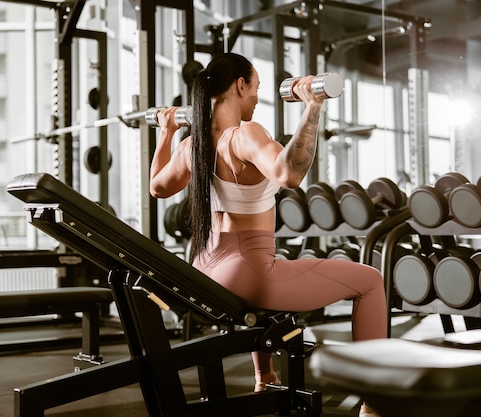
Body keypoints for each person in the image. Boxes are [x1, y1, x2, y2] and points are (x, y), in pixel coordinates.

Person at [149, 52, 387, 417]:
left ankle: (265, 379)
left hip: (205, 267)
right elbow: (288, 173)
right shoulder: (243, 135)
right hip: (248, 270)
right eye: (256, 87)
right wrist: (313, 106)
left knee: (276, 277)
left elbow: (157, 188)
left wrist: (165, 134)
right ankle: (374, 402)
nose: (258, 98)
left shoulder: (189, 146)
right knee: (370, 280)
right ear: (240, 85)